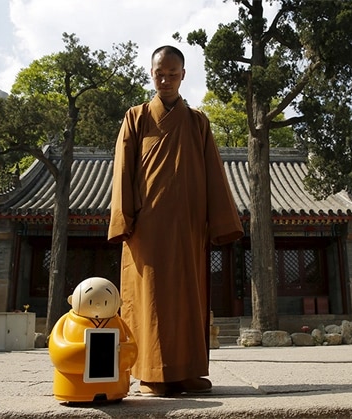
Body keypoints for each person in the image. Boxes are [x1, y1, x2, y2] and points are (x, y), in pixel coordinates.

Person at [108, 45, 244, 396]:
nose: (165, 79)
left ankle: (187, 372)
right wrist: (125, 219)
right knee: (150, 298)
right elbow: (122, 171)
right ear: (151, 74)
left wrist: (218, 222)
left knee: (188, 297)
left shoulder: (198, 121)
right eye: (159, 73)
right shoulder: (135, 117)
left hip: (188, 226)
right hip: (148, 228)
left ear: (183, 75)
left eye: (172, 73)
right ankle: (152, 374)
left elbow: (214, 173)